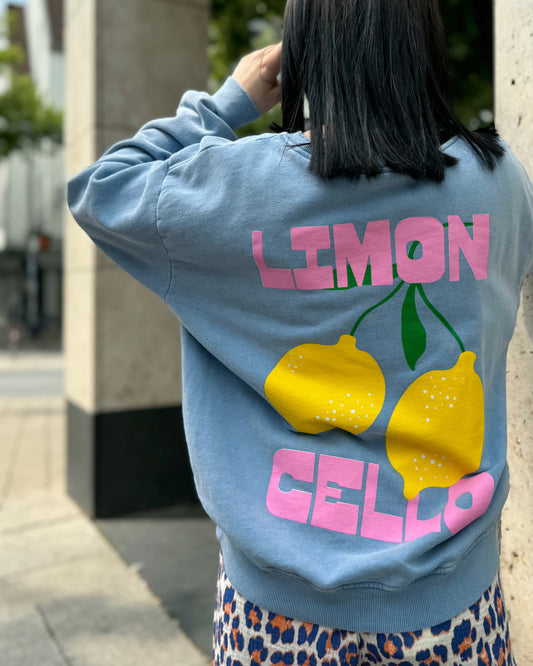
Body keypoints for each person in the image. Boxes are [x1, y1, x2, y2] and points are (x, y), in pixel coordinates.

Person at [68, 0, 532, 662]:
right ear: (422, 45)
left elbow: (102, 187)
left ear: (307, 49)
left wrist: (228, 101)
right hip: (453, 608)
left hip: (277, 618)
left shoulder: (239, 185)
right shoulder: (496, 183)